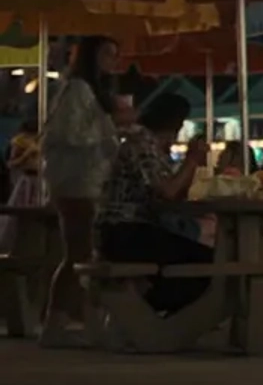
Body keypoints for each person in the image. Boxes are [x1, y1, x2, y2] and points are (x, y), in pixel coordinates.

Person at [39, 35, 127, 347]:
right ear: (91, 57)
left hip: (84, 180)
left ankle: (66, 320)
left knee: (81, 252)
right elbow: (68, 133)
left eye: (115, 54)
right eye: (107, 54)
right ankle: (57, 322)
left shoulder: (89, 91)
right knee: (78, 253)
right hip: (76, 181)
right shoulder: (78, 89)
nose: (112, 61)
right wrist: (110, 128)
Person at [95, 94, 212, 315]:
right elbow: (167, 193)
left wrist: (191, 165)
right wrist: (192, 160)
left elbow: (175, 196)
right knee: (206, 263)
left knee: (199, 259)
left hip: (130, 230)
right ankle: (142, 309)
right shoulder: (141, 143)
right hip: (124, 232)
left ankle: (149, 310)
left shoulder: (151, 146)